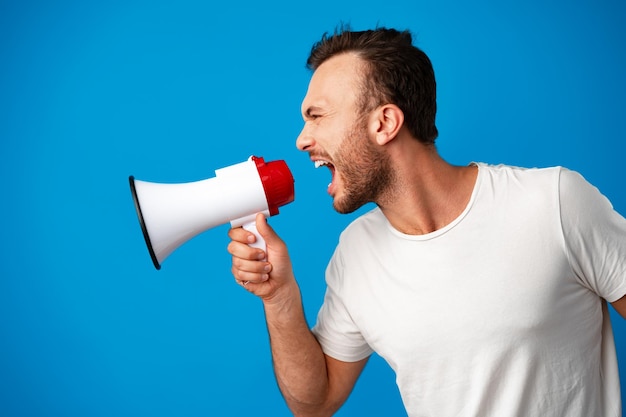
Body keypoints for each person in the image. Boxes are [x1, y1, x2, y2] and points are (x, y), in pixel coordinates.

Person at [227, 26, 626, 417]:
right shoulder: (356, 253)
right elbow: (315, 404)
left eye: (317, 116)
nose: (302, 139)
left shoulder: (553, 202)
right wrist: (279, 299)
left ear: (384, 123)